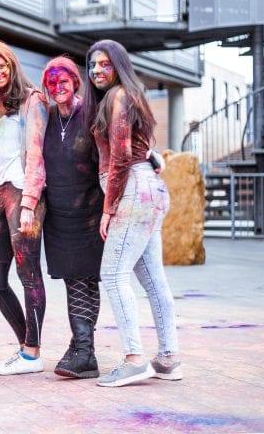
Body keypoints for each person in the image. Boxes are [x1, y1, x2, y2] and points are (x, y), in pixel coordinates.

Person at [86, 40, 181, 387]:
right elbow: (142, 148)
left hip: (133, 191)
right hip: (148, 190)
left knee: (113, 274)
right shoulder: (130, 96)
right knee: (154, 279)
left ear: (119, 66)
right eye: (92, 64)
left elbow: (122, 156)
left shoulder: (118, 96)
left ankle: (134, 360)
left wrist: (108, 209)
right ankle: (168, 358)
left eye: (104, 64)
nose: (97, 70)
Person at [0, 41, 48, 375]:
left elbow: (37, 153)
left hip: (23, 192)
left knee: (28, 273)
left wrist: (29, 202)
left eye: (1, 66)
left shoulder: (32, 100)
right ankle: (26, 345)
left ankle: (31, 353)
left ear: (12, 66)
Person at [40, 56, 104, 379]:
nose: (58, 87)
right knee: (75, 280)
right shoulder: (47, 116)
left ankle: (83, 351)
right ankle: (83, 349)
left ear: (75, 82)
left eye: (63, 81)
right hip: (58, 215)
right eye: (51, 83)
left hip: (90, 213)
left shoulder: (91, 113)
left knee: (84, 279)